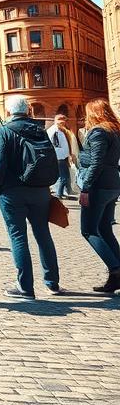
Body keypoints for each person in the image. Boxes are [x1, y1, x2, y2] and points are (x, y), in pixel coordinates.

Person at [0, 95, 61, 298]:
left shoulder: (3, 131)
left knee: (18, 237)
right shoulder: (40, 129)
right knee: (43, 234)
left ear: (9, 112)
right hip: (40, 190)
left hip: (12, 192)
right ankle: (52, 282)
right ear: (27, 110)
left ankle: (26, 287)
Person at [77, 99, 120, 294]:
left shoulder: (99, 132)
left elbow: (97, 162)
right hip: (111, 184)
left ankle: (116, 270)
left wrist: (85, 188)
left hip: (98, 186)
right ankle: (115, 277)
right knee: (104, 229)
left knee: (88, 230)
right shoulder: (115, 130)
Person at [47, 114, 78, 199]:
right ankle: (59, 193)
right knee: (63, 177)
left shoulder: (61, 130)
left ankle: (63, 192)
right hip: (59, 156)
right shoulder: (54, 131)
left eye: (64, 120)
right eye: (60, 120)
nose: (63, 122)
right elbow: (54, 144)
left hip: (63, 156)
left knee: (66, 176)